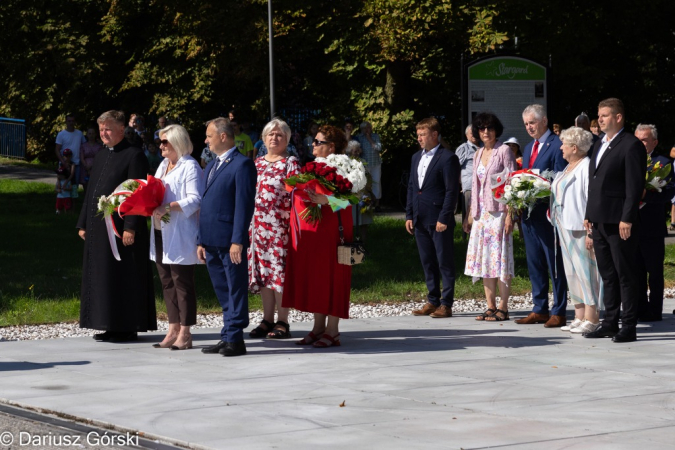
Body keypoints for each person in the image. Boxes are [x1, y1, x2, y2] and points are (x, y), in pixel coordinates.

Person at [76, 110, 156, 342]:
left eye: (108, 129)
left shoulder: (134, 156)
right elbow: (92, 192)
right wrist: (83, 223)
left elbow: (136, 193)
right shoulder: (102, 155)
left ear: (121, 129)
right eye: (101, 129)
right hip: (100, 229)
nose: (103, 133)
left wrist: (131, 226)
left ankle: (126, 325)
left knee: (123, 276)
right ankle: (108, 323)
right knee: (104, 276)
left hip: (121, 229)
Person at [282, 125, 354, 348]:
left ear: (331, 146)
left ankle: (333, 331)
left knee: (335, 277)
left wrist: (327, 201)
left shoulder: (347, 167)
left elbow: (353, 200)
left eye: (318, 142)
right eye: (313, 141)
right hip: (316, 232)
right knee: (318, 278)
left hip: (335, 231)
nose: (312, 145)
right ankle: (318, 327)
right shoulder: (311, 167)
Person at [583, 98, 646, 343]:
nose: (600, 119)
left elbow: (634, 186)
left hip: (619, 221)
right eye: (599, 115)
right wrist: (589, 213)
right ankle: (609, 322)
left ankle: (629, 325)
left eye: (605, 115)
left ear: (618, 117)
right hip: (599, 220)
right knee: (607, 274)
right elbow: (595, 182)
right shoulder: (600, 143)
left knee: (625, 274)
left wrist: (627, 218)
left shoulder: (630, 145)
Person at [199, 117, 256, 357]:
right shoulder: (212, 166)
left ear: (223, 136)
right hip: (211, 239)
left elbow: (243, 206)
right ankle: (227, 335)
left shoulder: (241, 164)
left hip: (229, 240)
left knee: (235, 288)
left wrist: (237, 240)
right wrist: (200, 240)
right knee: (223, 289)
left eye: (209, 136)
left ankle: (236, 338)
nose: (206, 141)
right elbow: (206, 204)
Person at [149, 124, 203, 350]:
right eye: (160, 142)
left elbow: (196, 199)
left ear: (178, 142)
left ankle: (186, 332)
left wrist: (169, 207)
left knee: (182, 282)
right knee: (166, 281)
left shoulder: (190, 166)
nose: (160, 146)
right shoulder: (164, 164)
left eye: (165, 142)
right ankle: (172, 328)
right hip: (161, 229)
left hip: (180, 231)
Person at [515, 104, 568, 328]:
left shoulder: (558, 145)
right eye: (526, 123)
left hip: (548, 214)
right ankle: (539, 308)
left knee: (553, 262)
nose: (529, 127)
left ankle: (559, 310)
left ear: (544, 121)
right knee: (535, 262)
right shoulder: (528, 148)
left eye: (532, 123)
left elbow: (560, 177)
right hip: (529, 215)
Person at [247, 119, 301, 339]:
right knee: (264, 274)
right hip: (257, 227)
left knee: (279, 274)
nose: (274, 138)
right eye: (270, 134)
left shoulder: (291, 163)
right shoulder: (256, 163)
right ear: (263, 137)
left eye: (279, 135)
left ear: (287, 139)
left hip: (280, 228)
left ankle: (283, 321)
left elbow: (297, 196)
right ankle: (267, 319)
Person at [463, 113, 516, 322]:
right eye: (482, 128)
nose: (486, 132)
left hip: (499, 213)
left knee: (500, 260)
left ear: (497, 130)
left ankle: (503, 306)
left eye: (490, 128)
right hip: (481, 214)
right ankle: (490, 305)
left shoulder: (504, 151)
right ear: (477, 132)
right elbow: (475, 187)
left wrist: (511, 215)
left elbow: (513, 183)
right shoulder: (478, 154)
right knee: (484, 260)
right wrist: (470, 214)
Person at [406, 117, 461, 319]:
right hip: (420, 217)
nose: (419, 138)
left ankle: (446, 303)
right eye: (418, 134)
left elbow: (451, 190)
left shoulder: (447, 158)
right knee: (427, 260)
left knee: (444, 260)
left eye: (423, 134)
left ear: (435, 135)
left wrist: (444, 217)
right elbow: (412, 187)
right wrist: (409, 214)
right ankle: (432, 300)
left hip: (439, 218)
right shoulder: (415, 158)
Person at [551, 127, 603, 334]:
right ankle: (579, 315)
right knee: (572, 274)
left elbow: (591, 200)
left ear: (574, 147)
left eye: (564, 144)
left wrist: (591, 232)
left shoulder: (586, 167)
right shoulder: (567, 167)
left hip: (580, 228)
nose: (561, 148)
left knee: (587, 274)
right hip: (564, 227)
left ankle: (593, 317)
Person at [634, 124, 674, 322]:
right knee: (636, 271)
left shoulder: (663, 163)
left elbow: (668, 193)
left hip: (652, 226)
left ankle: (655, 310)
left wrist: (646, 196)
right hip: (632, 225)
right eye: (638, 138)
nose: (640, 143)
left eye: (645, 139)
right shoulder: (630, 160)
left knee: (655, 272)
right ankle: (640, 308)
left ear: (655, 142)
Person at [346, 140, 374, 242]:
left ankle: (364, 242)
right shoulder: (346, 162)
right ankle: (351, 242)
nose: (357, 153)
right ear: (349, 151)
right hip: (352, 195)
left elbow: (369, 177)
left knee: (364, 219)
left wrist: (368, 190)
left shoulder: (363, 161)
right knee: (352, 220)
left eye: (358, 150)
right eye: (355, 151)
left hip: (364, 193)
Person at [456, 125, 480, 235]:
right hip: (470, 186)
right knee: (469, 215)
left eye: (476, 132)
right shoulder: (463, 148)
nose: (474, 135)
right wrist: (458, 185)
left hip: (483, 187)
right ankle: (468, 241)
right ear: (466, 135)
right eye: (472, 133)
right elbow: (455, 167)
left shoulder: (483, 147)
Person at [55, 114, 86, 197]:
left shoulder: (79, 133)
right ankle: (62, 203)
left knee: (74, 185)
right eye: (69, 121)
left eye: (72, 121)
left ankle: (73, 206)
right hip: (64, 164)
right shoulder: (61, 134)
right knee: (62, 184)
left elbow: (84, 147)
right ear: (66, 122)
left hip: (76, 163)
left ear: (75, 122)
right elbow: (57, 150)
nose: (71, 123)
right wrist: (63, 162)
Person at [356, 121, 383, 211]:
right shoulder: (359, 137)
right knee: (366, 184)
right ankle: (367, 204)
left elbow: (379, 148)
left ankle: (377, 204)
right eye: (364, 128)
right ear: (361, 129)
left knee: (376, 182)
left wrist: (369, 139)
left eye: (368, 128)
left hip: (376, 163)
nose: (366, 130)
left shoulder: (375, 136)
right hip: (365, 164)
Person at [80, 126, 104, 191]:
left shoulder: (99, 146)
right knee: (86, 187)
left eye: (93, 133)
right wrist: (86, 166)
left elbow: (100, 157)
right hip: (85, 169)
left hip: (96, 168)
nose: (91, 135)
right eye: (89, 133)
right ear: (87, 134)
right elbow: (81, 157)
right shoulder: (83, 145)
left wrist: (92, 166)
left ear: (95, 134)